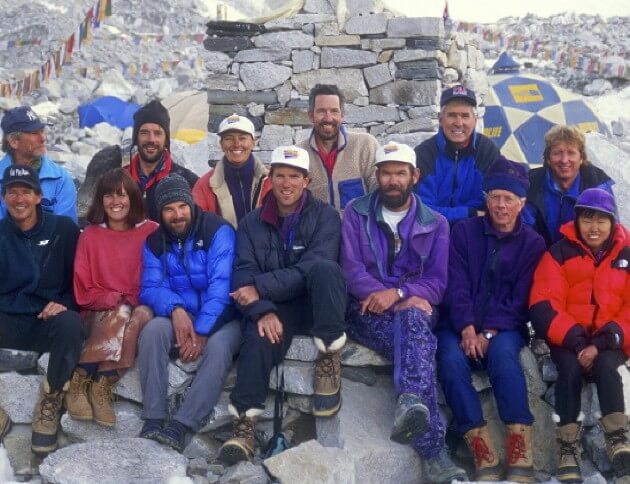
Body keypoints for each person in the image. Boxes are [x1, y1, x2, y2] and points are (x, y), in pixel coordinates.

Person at [341, 141, 466, 482]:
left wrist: (399, 293)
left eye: (400, 173)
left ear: (415, 176)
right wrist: (388, 296)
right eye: (386, 173)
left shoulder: (436, 223)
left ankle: (411, 402)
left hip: (415, 309)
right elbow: (352, 271)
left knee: (413, 323)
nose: (393, 180)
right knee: (417, 342)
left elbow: (437, 282)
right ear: (376, 175)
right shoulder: (356, 213)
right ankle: (434, 451)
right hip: (368, 311)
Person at [218, 146, 347, 464]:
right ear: (270, 179)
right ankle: (244, 424)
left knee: (327, 271)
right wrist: (262, 310)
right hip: (276, 307)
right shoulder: (251, 223)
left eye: (293, 177)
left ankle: (328, 355)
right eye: (279, 176)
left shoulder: (327, 216)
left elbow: (314, 265)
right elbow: (242, 272)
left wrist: (260, 287)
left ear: (306, 180)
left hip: (316, 303)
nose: (286, 184)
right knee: (259, 336)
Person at [435, 157, 545, 482]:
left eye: (508, 199)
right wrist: (467, 327)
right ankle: (481, 449)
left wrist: (490, 331)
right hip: (457, 324)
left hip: (505, 327)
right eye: (495, 196)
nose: (500, 205)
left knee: (503, 359)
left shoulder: (533, 243)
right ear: (486, 199)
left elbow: (521, 298)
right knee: (450, 362)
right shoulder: (464, 232)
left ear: (521, 203)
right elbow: (454, 283)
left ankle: (519, 449)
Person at [530, 188, 630, 482]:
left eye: (602, 220)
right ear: (576, 221)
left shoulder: (626, 254)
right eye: (587, 219)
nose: (594, 227)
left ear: (613, 222)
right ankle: (568, 446)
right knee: (570, 370)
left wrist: (601, 343)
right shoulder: (559, 252)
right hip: (568, 339)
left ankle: (617, 438)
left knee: (606, 366)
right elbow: (543, 303)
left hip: (612, 338)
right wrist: (576, 341)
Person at [136, 174, 240, 452]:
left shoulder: (217, 231)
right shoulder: (155, 242)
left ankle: (183, 424)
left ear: (192, 204)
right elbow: (150, 287)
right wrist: (176, 309)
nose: (177, 215)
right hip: (184, 314)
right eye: (169, 209)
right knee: (153, 331)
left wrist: (203, 331)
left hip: (226, 316)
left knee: (218, 347)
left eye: (182, 206)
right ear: (160, 213)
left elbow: (222, 287)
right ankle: (154, 417)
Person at [0, 164, 83, 455]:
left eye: (26, 192)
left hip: (46, 321)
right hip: (8, 319)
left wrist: (65, 303)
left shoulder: (63, 229)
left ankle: (50, 401)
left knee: (72, 324)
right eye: (12, 192)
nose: (18, 199)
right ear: (4, 197)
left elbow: (80, 280)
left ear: (37, 196)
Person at [67, 168, 158, 427]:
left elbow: (158, 275)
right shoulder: (90, 235)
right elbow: (83, 285)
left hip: (140, 304)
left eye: (122, 195)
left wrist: (129, 299)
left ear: (133, 198)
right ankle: (82, 379)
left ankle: (99, 383)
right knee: (121, 312)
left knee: (137, 314)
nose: (115, 202)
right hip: (99, 309)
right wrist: (113, 298)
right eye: (108, 195)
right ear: (100, 200)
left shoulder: (151, 231)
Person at [414, 85, 499, 224]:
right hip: (431, 233)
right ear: (440, 119)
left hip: (476, 231)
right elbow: (422, 210)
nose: (459, 123)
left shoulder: (487, 151)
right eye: (452, 115)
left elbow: (494, 202)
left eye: (465, 116)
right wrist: (469, 213)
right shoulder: (424, 154)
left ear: (475, 120)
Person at [523, 125, 614, 247]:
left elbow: (609, 232)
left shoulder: (597, 185)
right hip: (539, 255)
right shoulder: (531, 183)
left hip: (584, 256)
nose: (564, 160)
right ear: (548, 158)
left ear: (581, 158)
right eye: (557, 153)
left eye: (571, 153)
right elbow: (523, 230)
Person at [298, 83, 378, 211]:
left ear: (342, 115)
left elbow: (380, 192)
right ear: (311, 116)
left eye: (334, 111)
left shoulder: (364, 145)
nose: (328, 118)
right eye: (321, 111)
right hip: (318, 231)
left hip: (359, 230)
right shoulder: (299, 154)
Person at [192, 114, 271, 228]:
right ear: (221, 144)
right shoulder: (204, 185)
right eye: (229, 138)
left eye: (242, 138)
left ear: (253, 142)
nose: (237, 144)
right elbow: (198, 226)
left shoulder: (272, 180)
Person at [0, 105, 77, 222]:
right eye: (34, 133)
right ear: (14, 141)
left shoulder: (60, 178)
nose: (43, 138)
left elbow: (66, 231)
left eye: (42, 131)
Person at [126, 100, 198, 222]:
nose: (151, 139)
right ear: (135, 138)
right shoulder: (121, 180)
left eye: (158, 133)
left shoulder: (189, 182)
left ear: (166, 140)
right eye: (144, 132)